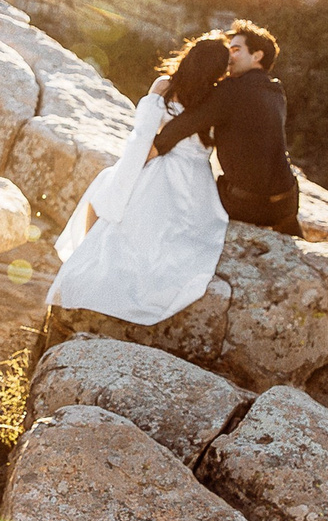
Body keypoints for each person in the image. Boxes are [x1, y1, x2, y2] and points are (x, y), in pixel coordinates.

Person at [47, 33, 230, 324]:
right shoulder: (218, 96)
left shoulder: (167, 87)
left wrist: (128, 174)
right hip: (198, 179)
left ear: (190, 56)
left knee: (103, 193)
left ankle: (84, 262)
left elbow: (142, 137)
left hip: (162, 164)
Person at [147, 19, 300, 232]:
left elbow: (180, 128)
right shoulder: (276, 91)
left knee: (187, 194)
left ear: (257, 56)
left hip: (246, 206)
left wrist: (143, 161)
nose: (229, 57)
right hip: (287, 205)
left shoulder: (230, 90)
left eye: (236, 50)